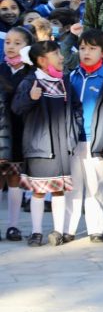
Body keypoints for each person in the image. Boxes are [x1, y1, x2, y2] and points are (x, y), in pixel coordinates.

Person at [12, 41, 82, 247]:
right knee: (39, 190)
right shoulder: (30, 81)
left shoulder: (65, 82)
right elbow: (17, 108)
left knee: (59, 189)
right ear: (42, 61)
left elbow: (76, 108)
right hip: (39, 146)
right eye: (56, 54)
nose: (61, 57)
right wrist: (30, 98)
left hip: (61, 143)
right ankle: (35, 232)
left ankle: (57, 231)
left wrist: (74, 131)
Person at [64, 29, 103, 243]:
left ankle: (96, 230)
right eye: (82, 48)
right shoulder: (72, 76)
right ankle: (68, 230)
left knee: (95, 186)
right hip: (73, 141)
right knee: (73, 187)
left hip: (96, 141)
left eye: (92, 48)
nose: (86, 53)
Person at [0, 26, 33, 242]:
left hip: (21, 131)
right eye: (8, 42)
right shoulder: (0, 69)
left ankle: (13, 226)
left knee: (14, 179)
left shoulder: (31, 73)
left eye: (17, 43)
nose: (11, 47)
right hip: (2, 132)